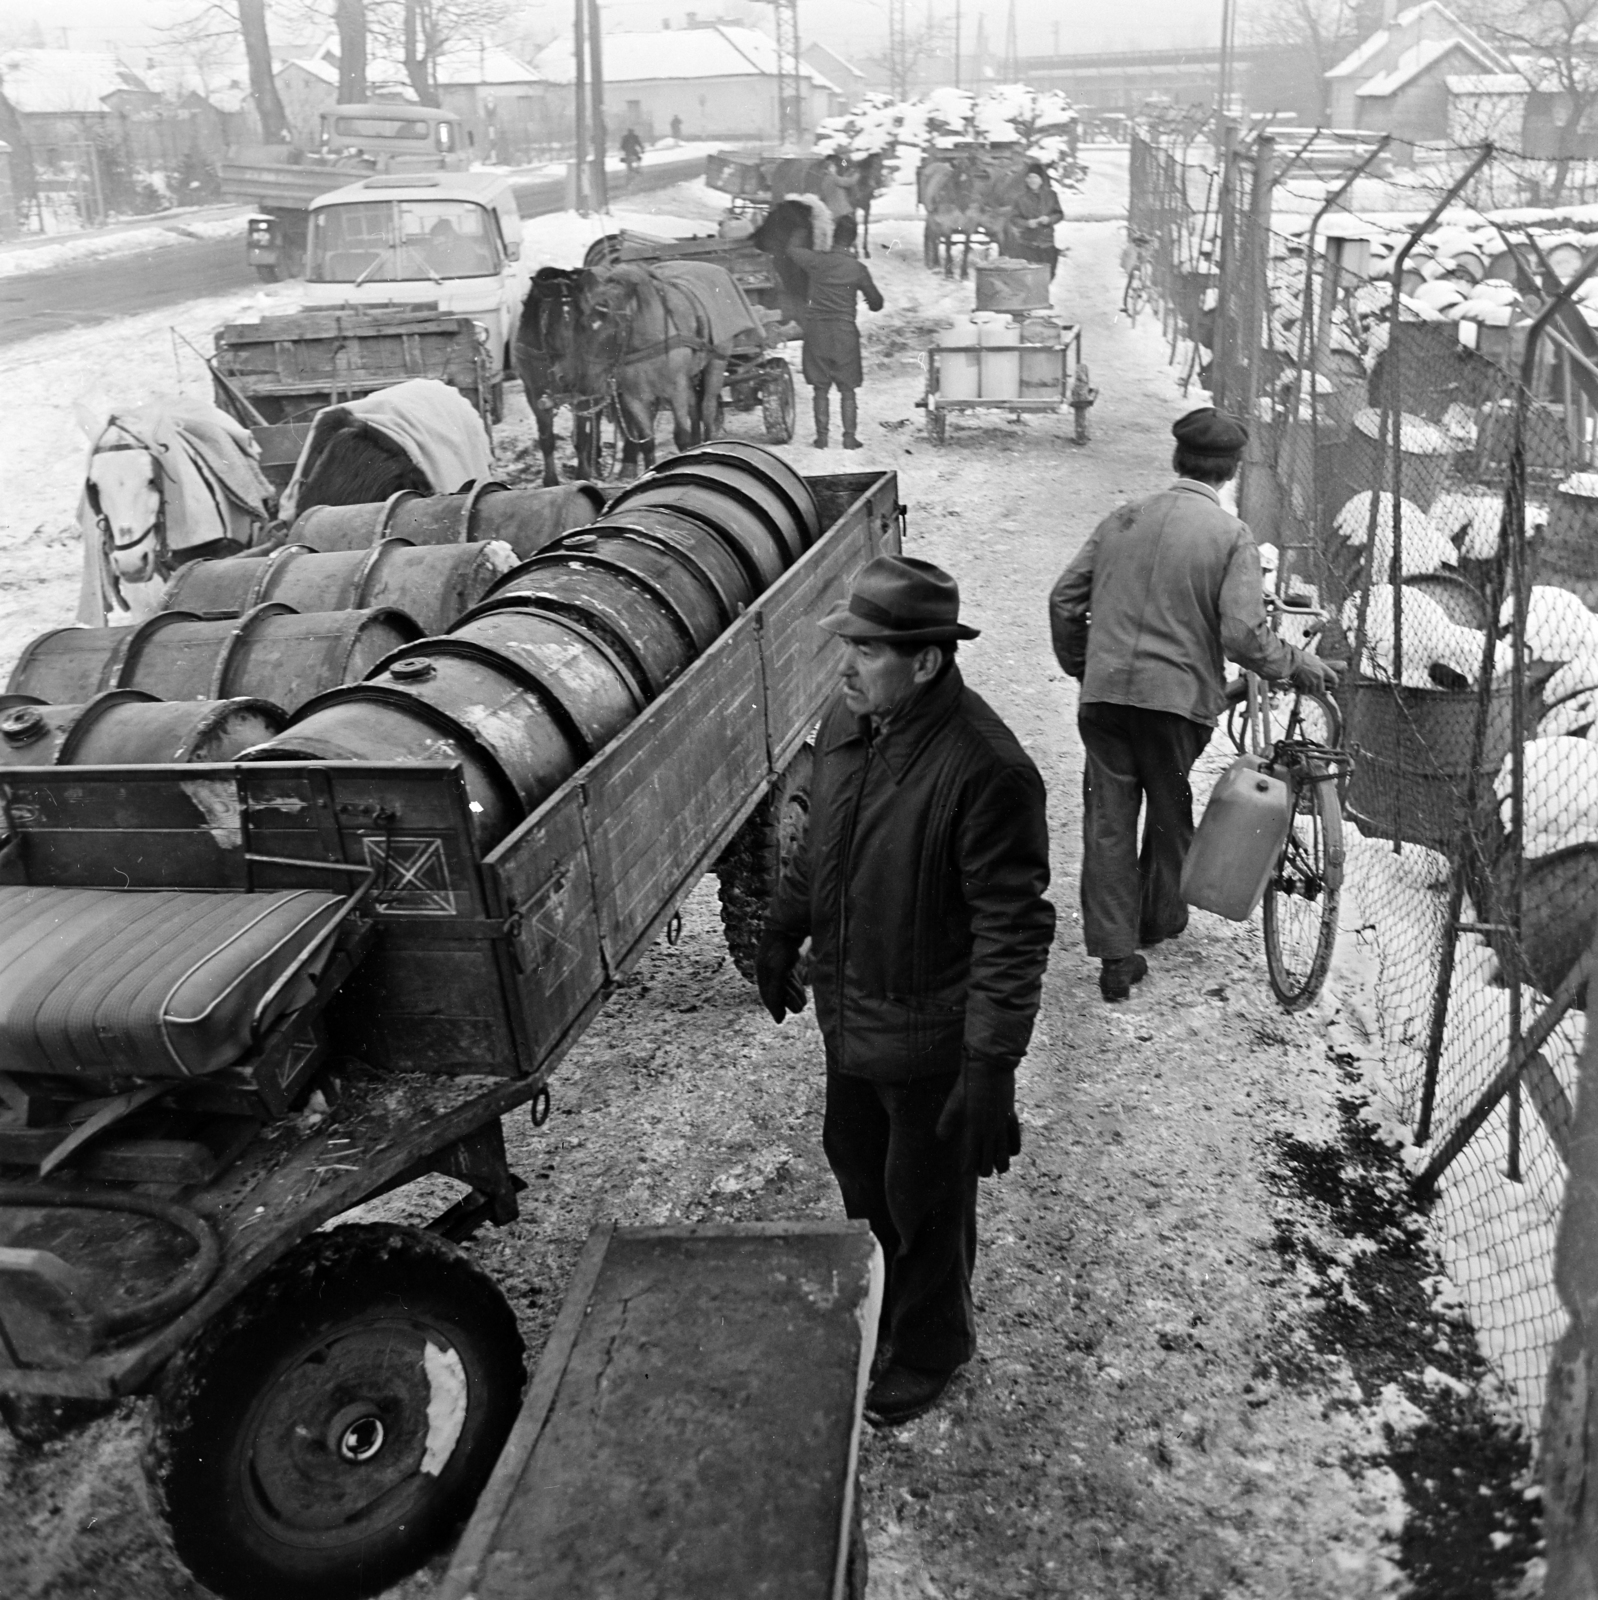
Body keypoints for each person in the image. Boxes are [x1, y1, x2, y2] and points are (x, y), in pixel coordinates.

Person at [757, 556, 1055, 1426]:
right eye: (845, 644)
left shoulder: (985, 769)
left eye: (867, 650)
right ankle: (882, 1309)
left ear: (925, 661)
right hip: (851, 1014)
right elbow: (820, 846)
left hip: (930, 1036)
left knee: (923, 1199)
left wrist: (991, 1066)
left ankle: (932, 1345)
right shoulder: (851, 724)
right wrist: (783, 926)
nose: (845, 666)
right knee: (856, 1167)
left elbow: (1013, 927)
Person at [1048, 408, 1340, 1003]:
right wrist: (1297, 663)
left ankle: (1114, 956)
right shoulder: (1231, 537)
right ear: (1231, 471)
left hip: (1104, 702)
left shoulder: (1123, 519)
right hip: (1174, 707)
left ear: (1176, 459)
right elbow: (1242, 635)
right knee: (1168, 807)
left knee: (1107, 819)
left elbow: (1063, 600)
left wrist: (1085, 665)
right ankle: (1158, 918)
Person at [785, 214, 883, 450]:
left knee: (820, 387)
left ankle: (822, 437)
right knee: (847, 388)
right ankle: (849, 438)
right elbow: (877, 303)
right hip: (844, 332)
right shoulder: (857, 269)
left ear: (833, 236)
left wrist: (802, 226)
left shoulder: (816, 261)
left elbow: (791, 250)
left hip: (816, 331)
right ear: (853, 238)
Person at [1004, 162, 1064, 278]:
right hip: (1027, 245)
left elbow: (1059, 214)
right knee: (1029, 277)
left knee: (1048, 275)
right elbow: (1014, 218)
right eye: (1029, 177)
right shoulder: (1020, 198)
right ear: (1026, 180)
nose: (1032, 180)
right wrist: (1026, 223)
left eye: (1035, 177)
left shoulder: (1051, 196)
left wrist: (1049, 219)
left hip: (1047, 243)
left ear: (1041, 180)